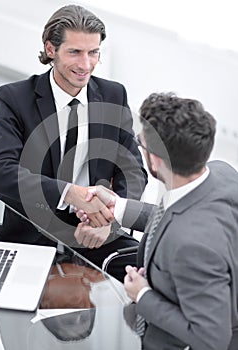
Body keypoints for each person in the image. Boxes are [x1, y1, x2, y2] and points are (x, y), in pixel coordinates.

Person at [0, 4, 147, 282]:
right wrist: (68, 192)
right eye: (75, 52)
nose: (86, 65)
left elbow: (133, 171)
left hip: (97, 232)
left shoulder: (113, 94)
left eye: (93, 52)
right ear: (51, 50)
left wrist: (111, 221)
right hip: (32, 234)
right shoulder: (14, 98)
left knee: (154, 275)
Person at [78, 93, 238, 350]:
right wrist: (119, 207)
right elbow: (182, 213)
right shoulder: (221, 172)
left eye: (141, 144)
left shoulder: (191, 245)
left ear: (155, 159)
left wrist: (142, 294)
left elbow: (211, 339)